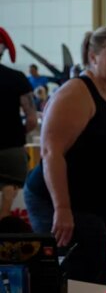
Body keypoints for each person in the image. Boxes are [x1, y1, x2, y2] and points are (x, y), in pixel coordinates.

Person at [23, 27, 106, 285]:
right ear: (93, 57)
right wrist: (62, 209)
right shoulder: (76, 92)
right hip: (55, 199)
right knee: (81, 267)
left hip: (91, 201)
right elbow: (51, 152)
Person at [0, 27, 38, 217]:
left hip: (12, 148)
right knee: (18, 204)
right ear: (3, 49)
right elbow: (32, 119)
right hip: (12, 150)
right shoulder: (17, 78)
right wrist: (15, 133)